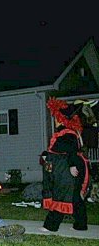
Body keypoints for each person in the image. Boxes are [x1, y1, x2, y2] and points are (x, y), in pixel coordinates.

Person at [41, 97, 89, 232]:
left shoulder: (68, 134)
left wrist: (72, 166)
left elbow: (71, 151)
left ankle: (51, 226)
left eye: (56, 117)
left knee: (62, 195)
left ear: (61, 118)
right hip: (64, 168)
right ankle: (80, 224)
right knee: (74, 197)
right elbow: (56, 152)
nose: (55, 120)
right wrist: (45, 157)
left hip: (68, 169)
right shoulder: (64, 133)